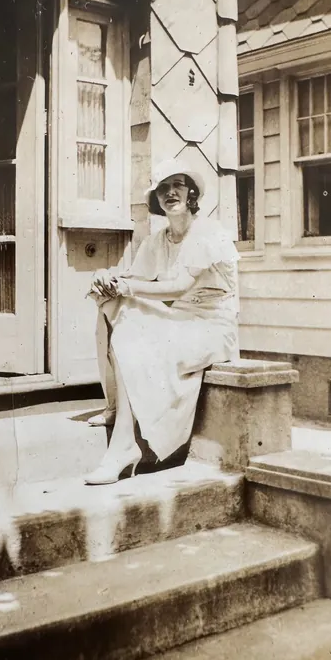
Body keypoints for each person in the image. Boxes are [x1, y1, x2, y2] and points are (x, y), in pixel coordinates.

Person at [85, 158, 240, 485]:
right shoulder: (158, 239)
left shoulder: (209, 231)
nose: (171, 193)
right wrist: (108, 279)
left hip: (212, 326)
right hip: (179, 319)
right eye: (163, 189)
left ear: (191, 192)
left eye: (178, 186)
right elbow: (133, 280)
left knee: (129, 323)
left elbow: (180, 286)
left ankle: (124, 445)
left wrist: (127, 286)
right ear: (156, 199)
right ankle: (115, 406)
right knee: (110, 303)